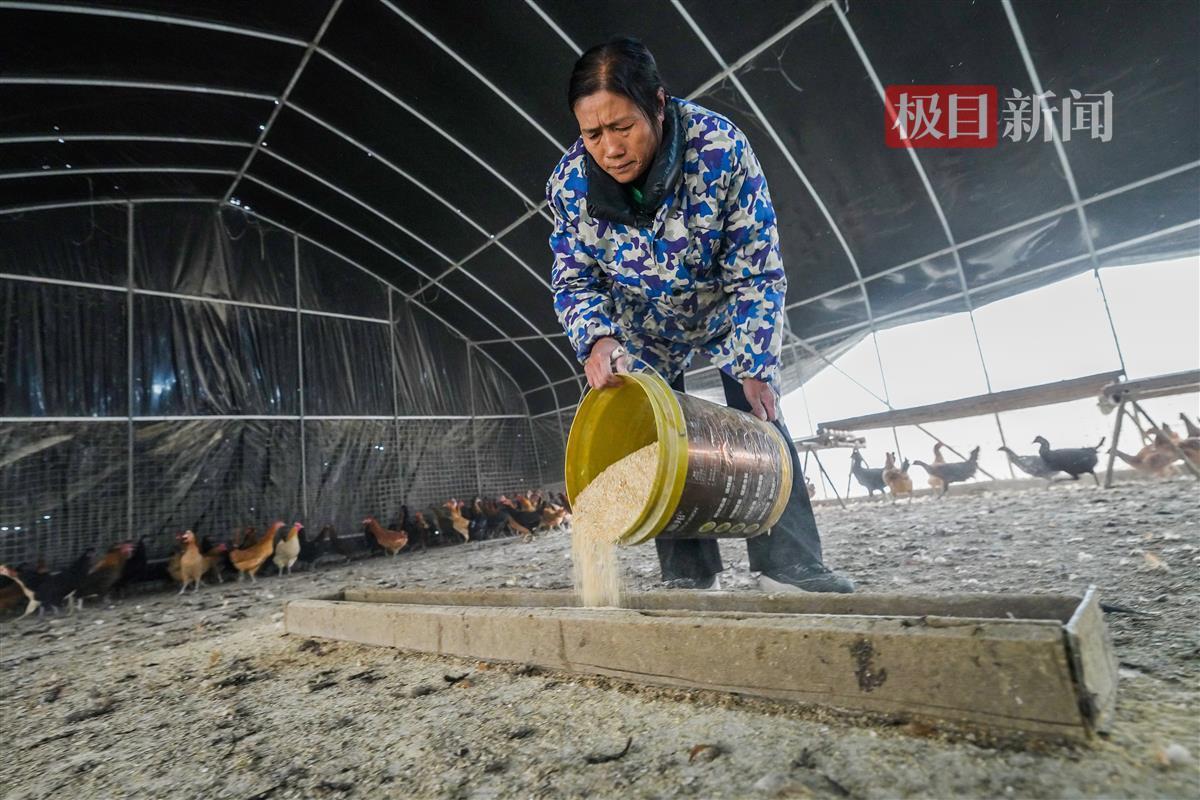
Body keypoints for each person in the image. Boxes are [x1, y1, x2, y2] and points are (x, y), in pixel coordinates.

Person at [547, 37, 853, 594]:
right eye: (593, 134)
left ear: (658, 105)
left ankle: (788, 564)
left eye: (623, 127)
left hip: (722, 303)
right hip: (638, 320)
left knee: (759, 411)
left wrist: (755, 363)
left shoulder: (719, 150)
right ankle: (689, 574)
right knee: (654, 433)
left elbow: (756, 269)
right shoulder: (570, 186)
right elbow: (574, 277)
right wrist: (596, 340)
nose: (610, 149)